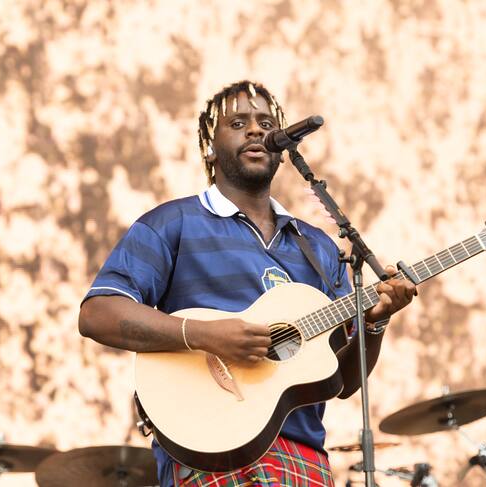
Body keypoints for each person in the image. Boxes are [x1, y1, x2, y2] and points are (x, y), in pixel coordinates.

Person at [78, 80, 416, 486]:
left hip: (303, 458)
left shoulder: (318, 247)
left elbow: (341, 381)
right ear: (210, 146)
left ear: (282, 149)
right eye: (237, 123)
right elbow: (97, 314)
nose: (255, 130)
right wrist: (205, 335)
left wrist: (376, 323)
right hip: (211, 451)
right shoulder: (172, 223)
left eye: (266, 124)